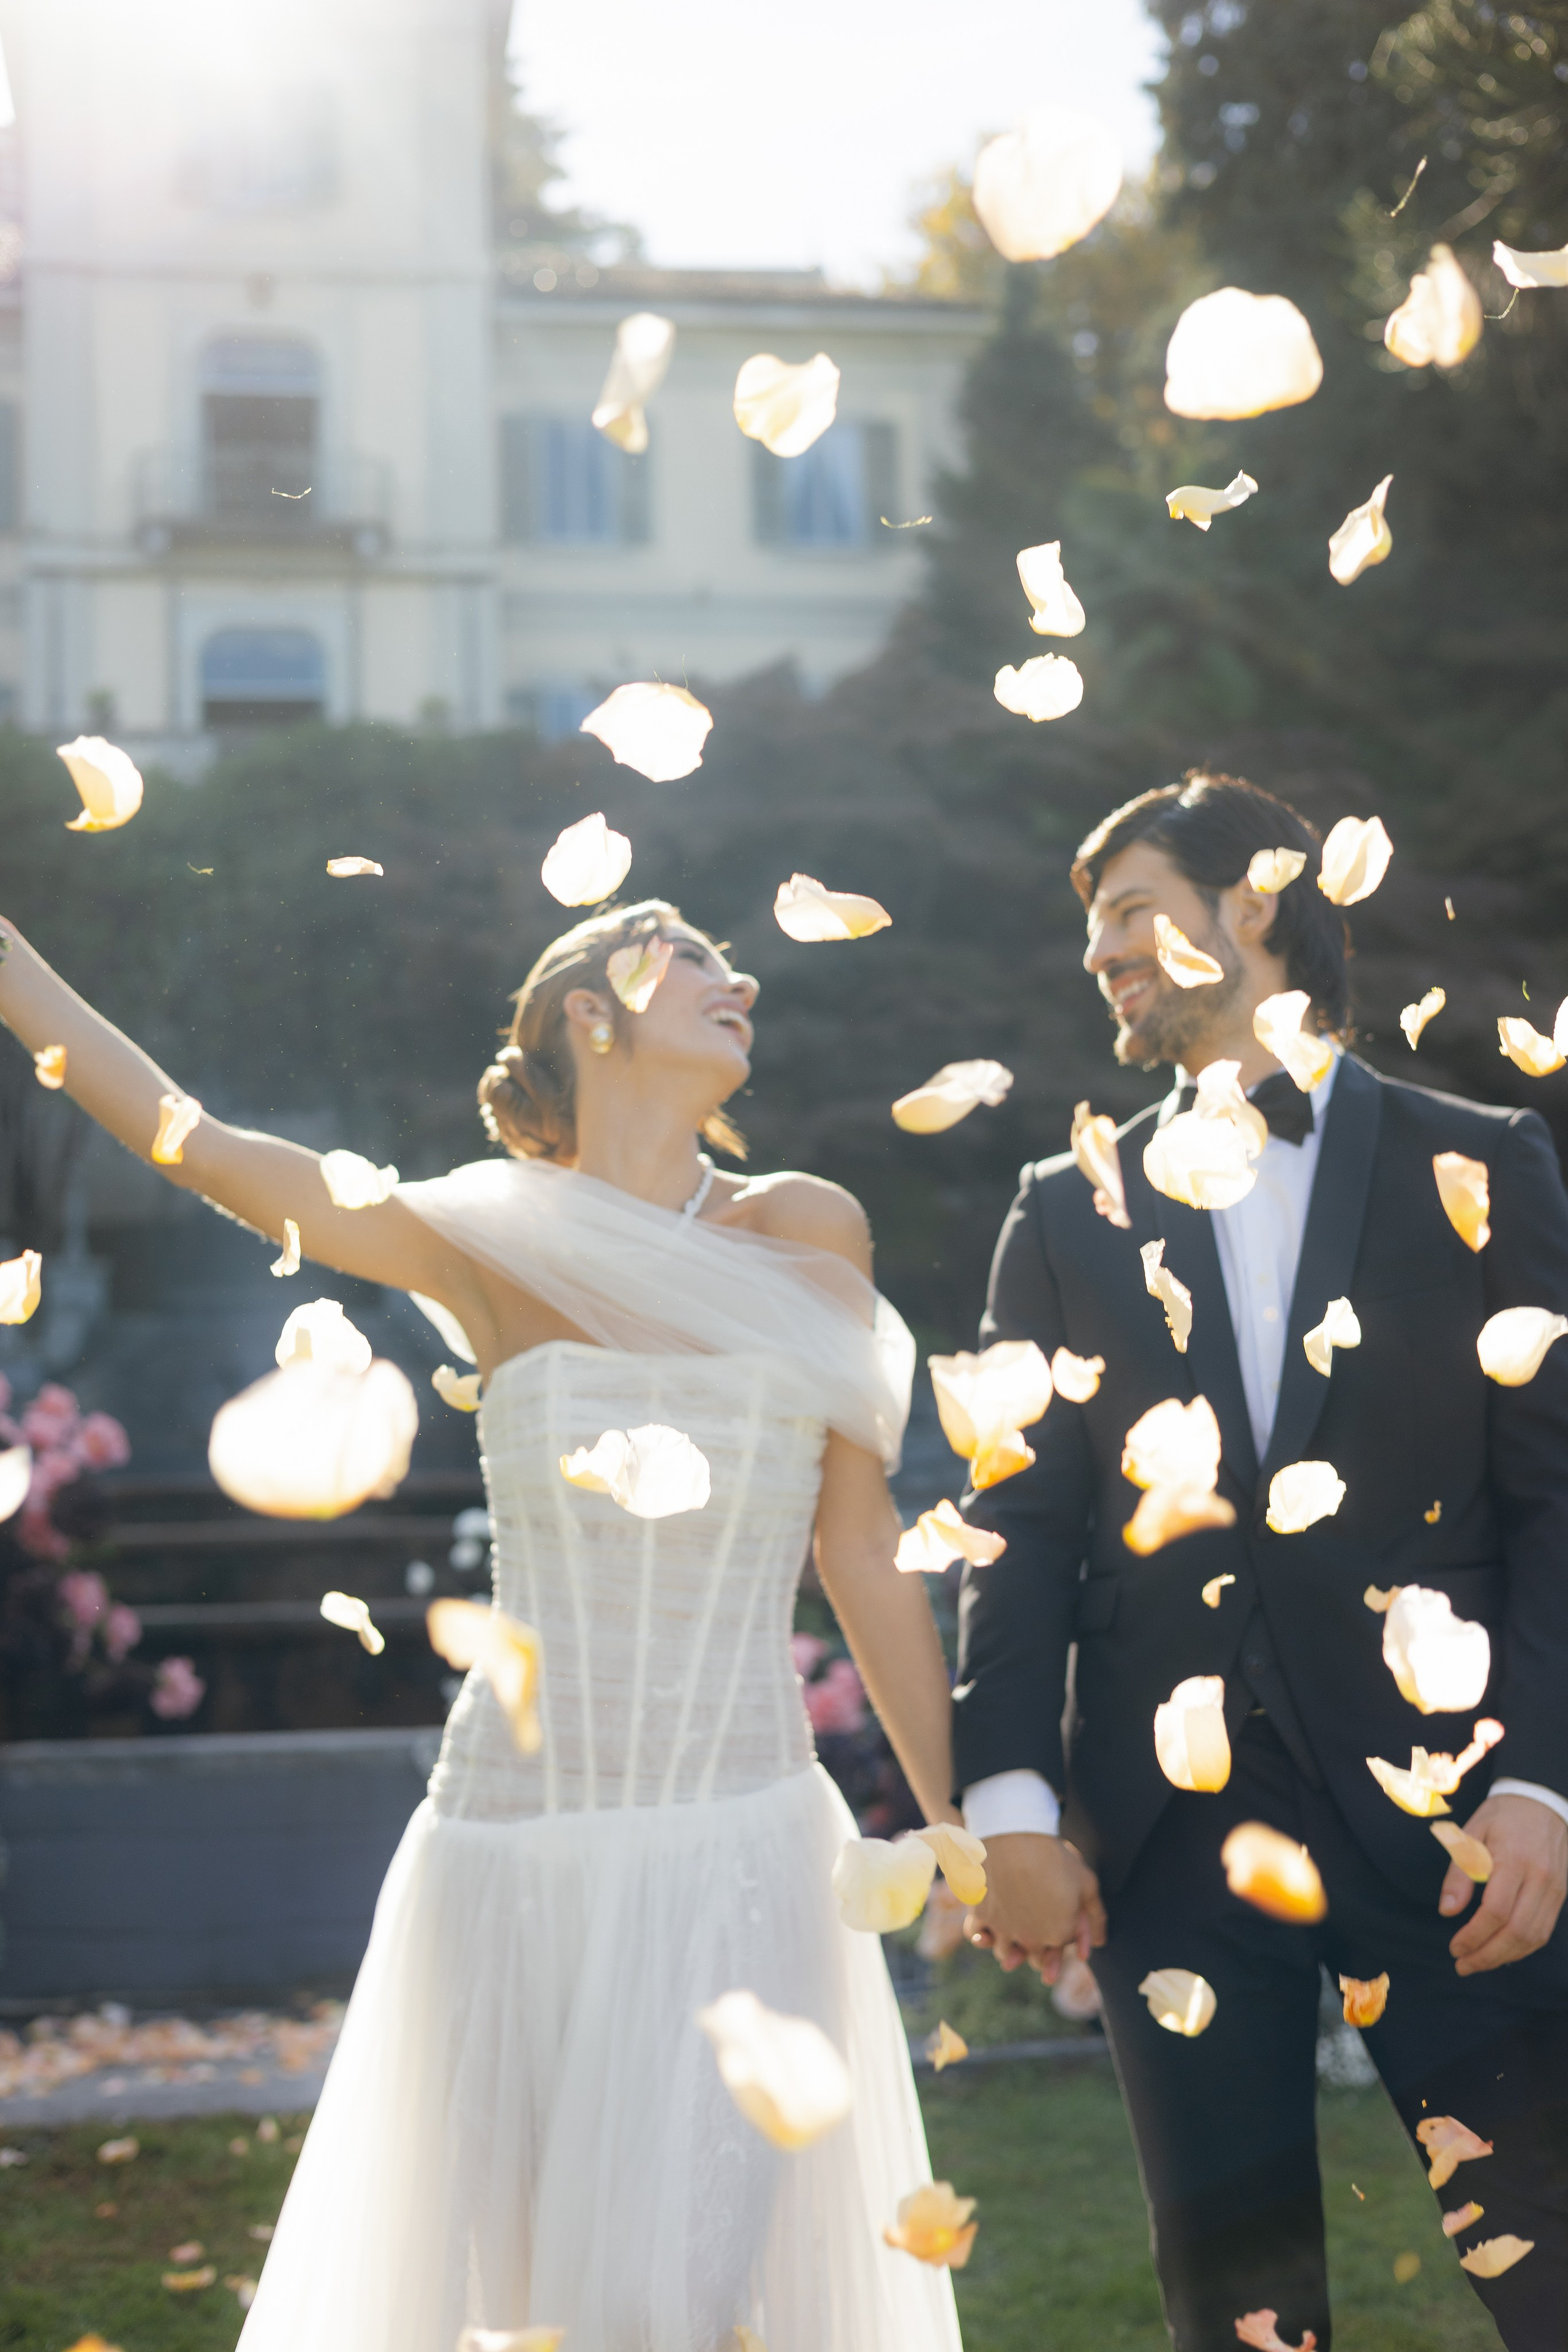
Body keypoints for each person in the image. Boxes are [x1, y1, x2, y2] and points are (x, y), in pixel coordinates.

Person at [0, 897, 964, 2352]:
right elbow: (187, 1139)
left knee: (669, 2304)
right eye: (696, 954)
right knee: (520, 2312)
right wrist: (14, 971)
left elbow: (860, 1546)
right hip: (506, 1845)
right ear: (593, 1009)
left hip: (739, 1832)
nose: (740, 975)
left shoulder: (803, 1228)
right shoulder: (479, 1239)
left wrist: (953, 1821)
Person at [952, 772, 1568, 2351]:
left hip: (1461, 1830)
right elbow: (1011, 1531)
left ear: (1255, 904)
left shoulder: (1488, 1163)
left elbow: (1553, 1499)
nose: (1098, 958)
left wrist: (1542, 1787)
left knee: (1552, 2270)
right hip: (1169, 1844)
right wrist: (1009, 1810)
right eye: (1086, 933)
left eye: (1126, 915)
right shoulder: (1058, 1211)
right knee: (1235, 2313)